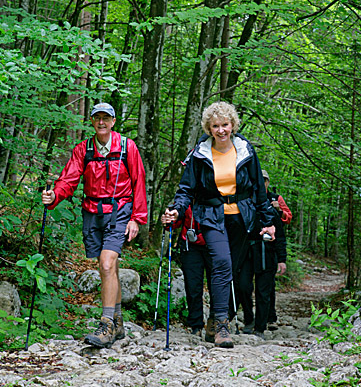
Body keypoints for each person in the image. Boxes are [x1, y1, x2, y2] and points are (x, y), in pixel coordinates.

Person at [162, 101, 275, 348]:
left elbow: (259, 189)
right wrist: (176, 209)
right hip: (211, 215)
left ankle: (214, 318)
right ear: (209, 128)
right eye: (215, 126)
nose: (221, 130)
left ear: (233, 125)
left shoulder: (246, 150)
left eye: (225, 124)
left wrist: (268, 222)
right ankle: (223, 326)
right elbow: (186, 189)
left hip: (241, 217)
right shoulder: (199, 153)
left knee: (230, 270)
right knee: (222, 263)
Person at [42, 102, 147, 348]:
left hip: (119, 211)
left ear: (113, 122)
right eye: (97, 118)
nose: (101, 122)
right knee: (107, 268)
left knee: (107, 262)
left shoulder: (127, 147)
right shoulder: (84, 149)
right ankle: (118, 320)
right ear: (92, 121)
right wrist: (54, 197)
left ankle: (106, 324)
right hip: (92, 212)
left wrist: (137, 218)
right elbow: (68, 179)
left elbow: (139, 181)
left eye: (106, 118)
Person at [161, 205, 214, 341]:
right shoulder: (185, 200)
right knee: (193, 286)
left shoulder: (217, 195)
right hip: (190, 245)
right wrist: (168, 221)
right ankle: (196, 325)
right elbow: (176, 221)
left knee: (216, 284)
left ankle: (214, 321)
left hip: (214, 244)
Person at [235, 206, 287, 339]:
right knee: (243, 286)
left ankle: (260, 327)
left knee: (263, 292)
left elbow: (280, 236)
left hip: (267, 253)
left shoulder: (270, 210)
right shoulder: (243, 206)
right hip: (247, 252)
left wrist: (281, 259)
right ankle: (249, 318)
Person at [262, 169, 292, 329]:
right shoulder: (250, 196)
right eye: (261, 180)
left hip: (272, 246)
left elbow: (288, 217)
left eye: (265, 180)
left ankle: (270, 317)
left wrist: (278, 210)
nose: (263, 182)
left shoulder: (276, 198)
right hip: (254, 246)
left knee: (268, 284)